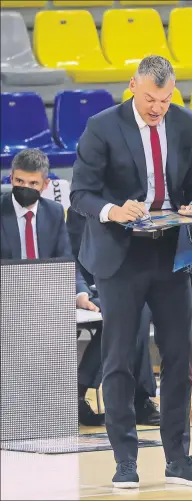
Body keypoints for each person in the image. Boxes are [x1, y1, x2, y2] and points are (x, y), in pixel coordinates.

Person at [70, 56, 192, 488]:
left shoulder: (188, 122)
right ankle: (125, 462)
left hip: (169, 250)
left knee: (176, 356)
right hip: (119, 253)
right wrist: (115, 210)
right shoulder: (102, 126)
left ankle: (178, 459)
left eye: (166, 100)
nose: (157, 108)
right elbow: (81, 194)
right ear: (132, 85)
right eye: (150, 98)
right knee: (120, 360)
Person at [0, 148, 105, 426]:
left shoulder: (55, 211)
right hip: (8, 298)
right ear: (11, 178)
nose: (25, 188)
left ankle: (75, 393)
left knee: (113, 318)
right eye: (19, 182)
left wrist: (79, 293)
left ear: (45, 185)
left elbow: (65, 259)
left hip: (48, 296)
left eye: (33, 183)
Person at [67, 206, 161, 426]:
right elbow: (69, 256)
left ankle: (82, 392)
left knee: (137, 308)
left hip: (129, 283)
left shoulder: (137, 204)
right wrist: (80, 291)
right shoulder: (82, 207)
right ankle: (138, 398)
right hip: (92, 288)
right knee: (123, 312)